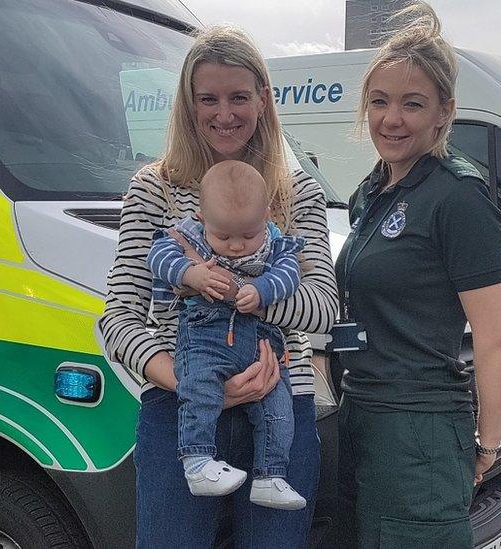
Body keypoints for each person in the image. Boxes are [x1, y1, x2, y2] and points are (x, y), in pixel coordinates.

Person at [98, 25, 338, 548]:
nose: (223, 114)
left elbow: (322, 309)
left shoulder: (297, 193)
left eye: (238, 97)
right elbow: (116, 319)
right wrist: (195, 387)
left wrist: (242, 293)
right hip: (178, 406)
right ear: (188, 103)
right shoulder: (154, 189)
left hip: (281, 406)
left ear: (263, 100)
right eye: (208, 98)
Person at [333, 3, 501, 548]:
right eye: (379, 102)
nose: (391, 119)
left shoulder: (456, 197)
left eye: (412, 104)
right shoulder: (373, 192)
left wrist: (487, 444)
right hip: (361, 417)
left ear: (444, 113)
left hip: (420, 432)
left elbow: (496, 337)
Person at [146, 160, 307, 510]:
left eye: (249, 236)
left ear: (266, 215)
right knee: (200, 390)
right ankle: (198, 461)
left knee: (279, 409)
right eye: (224, 237)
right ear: (202, 219)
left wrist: (262, 290)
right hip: (206, 338)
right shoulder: (186, 235)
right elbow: (157, 256)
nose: (236, 246)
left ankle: (271, 475)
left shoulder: (276, 243)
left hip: (263, 346)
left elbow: (290, 273)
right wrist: (191, 275)